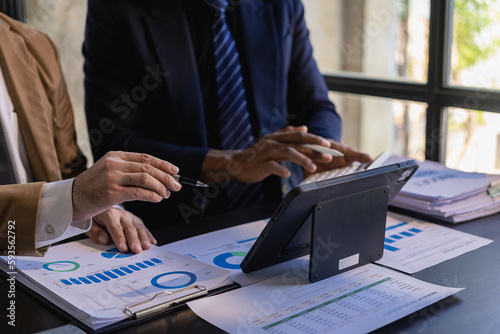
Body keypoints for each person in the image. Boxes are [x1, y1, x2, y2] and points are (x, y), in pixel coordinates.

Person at [83, 0, 371, 227]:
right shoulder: (116, 7)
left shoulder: (281, 5)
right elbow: (113, 142)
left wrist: (317, 151)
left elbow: (317, 106)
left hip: (277, 212)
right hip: (170, 227)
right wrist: (231, 163)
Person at [0, 12, 182, 257]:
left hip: (49, 266)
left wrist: (98, 205)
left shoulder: (35, 47)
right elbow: (68, 193)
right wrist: (66, 202)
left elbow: (67, 170)